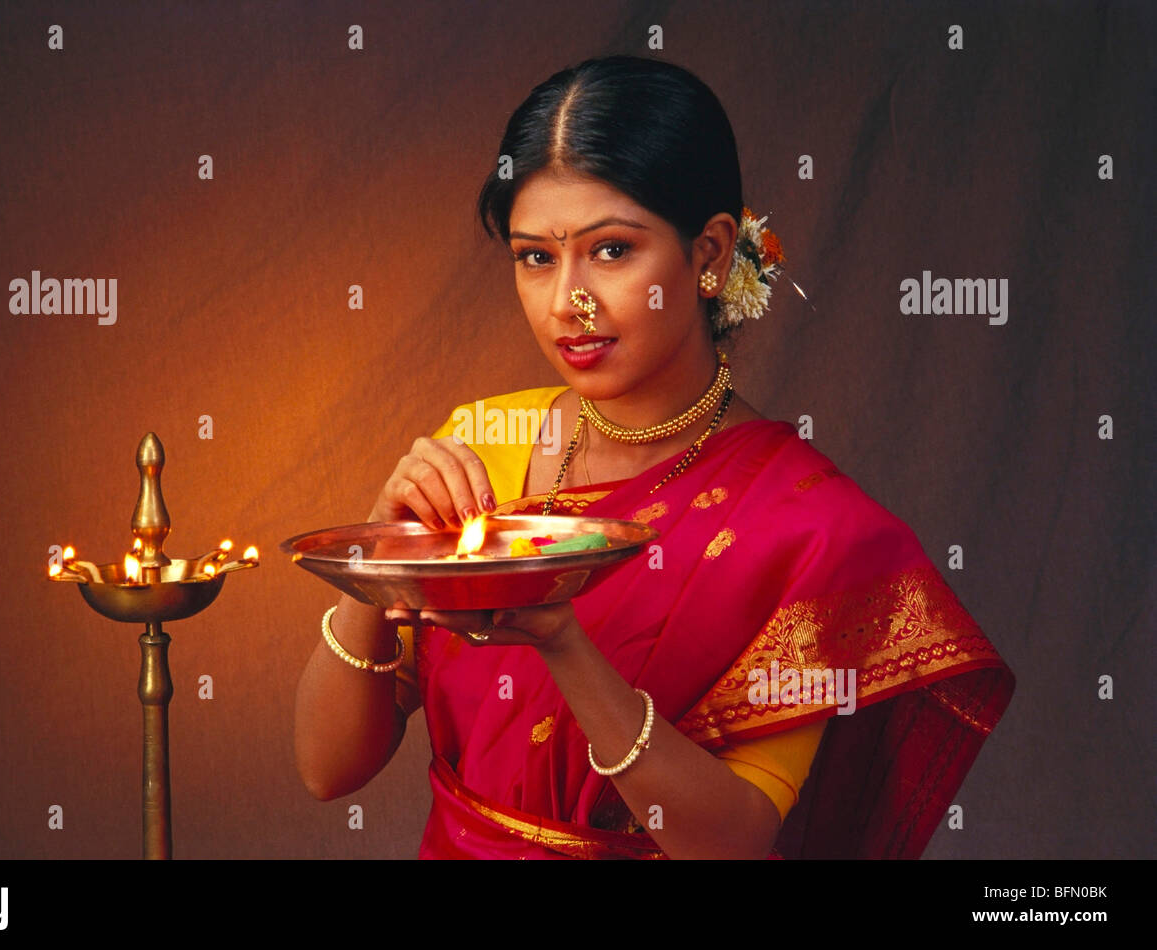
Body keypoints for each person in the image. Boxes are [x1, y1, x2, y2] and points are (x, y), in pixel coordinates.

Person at [293, 55, 1014, 859]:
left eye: (610, 251)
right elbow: (328, 771)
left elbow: (734, 843)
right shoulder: (482, 450)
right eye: (536, 256)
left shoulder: (808, 531)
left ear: (708, 255)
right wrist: (375, 557)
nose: (569, 301)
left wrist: (565, 643)